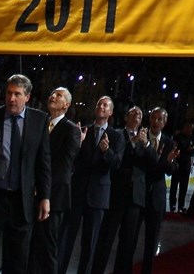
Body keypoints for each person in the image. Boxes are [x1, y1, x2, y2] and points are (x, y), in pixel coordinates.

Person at [0, 73, 52, 274]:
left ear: (27, 97)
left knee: (17, 261)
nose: (11, 98)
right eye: (8, 93)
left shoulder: (39, 120)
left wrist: (45, 197)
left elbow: (43, 162)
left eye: (17, 94)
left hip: (21, 201)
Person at [59, 94, 122, 274]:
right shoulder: (83, 130)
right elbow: (71, 160)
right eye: (99, 104)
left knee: (90, 243)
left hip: (98, 197)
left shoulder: (116, 136)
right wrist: (77, 144)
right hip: (77, 193)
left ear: (110, 112)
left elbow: (117, 164)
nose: (101, 107)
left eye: (105, 105)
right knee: (65, 239)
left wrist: (107, 151)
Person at [90, 105, 147, 274]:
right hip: (116, 194)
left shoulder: (145, 139)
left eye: (140, 113)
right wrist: (131, 143)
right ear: (125, 117)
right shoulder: (116, 135)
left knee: (128, 242)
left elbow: (150, 161)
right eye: (133, 112)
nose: (137, 114)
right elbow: (116, 161)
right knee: (106, 238)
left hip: (135, 197)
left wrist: (146, 144)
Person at [30, 87, 80, 274]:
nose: (53, 96)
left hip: (53, 196)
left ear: (66, 105)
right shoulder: (41, 123)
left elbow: (63, 168)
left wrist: (43, 189)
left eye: (58, 95)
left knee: (47, 246)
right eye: (52, 94)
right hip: (33, 193)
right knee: (32, 244)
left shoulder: (71, 129)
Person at [135, 106, 181, 274]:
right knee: (130, 238)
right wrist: (161, 161)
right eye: (153, 118)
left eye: (159, 119)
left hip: (157, 197)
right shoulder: (140, 137)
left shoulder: (169, 143)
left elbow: (172, 169)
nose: (155, 122)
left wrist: (168, 162)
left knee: (152, 240)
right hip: (138, 194)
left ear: (165, 122)